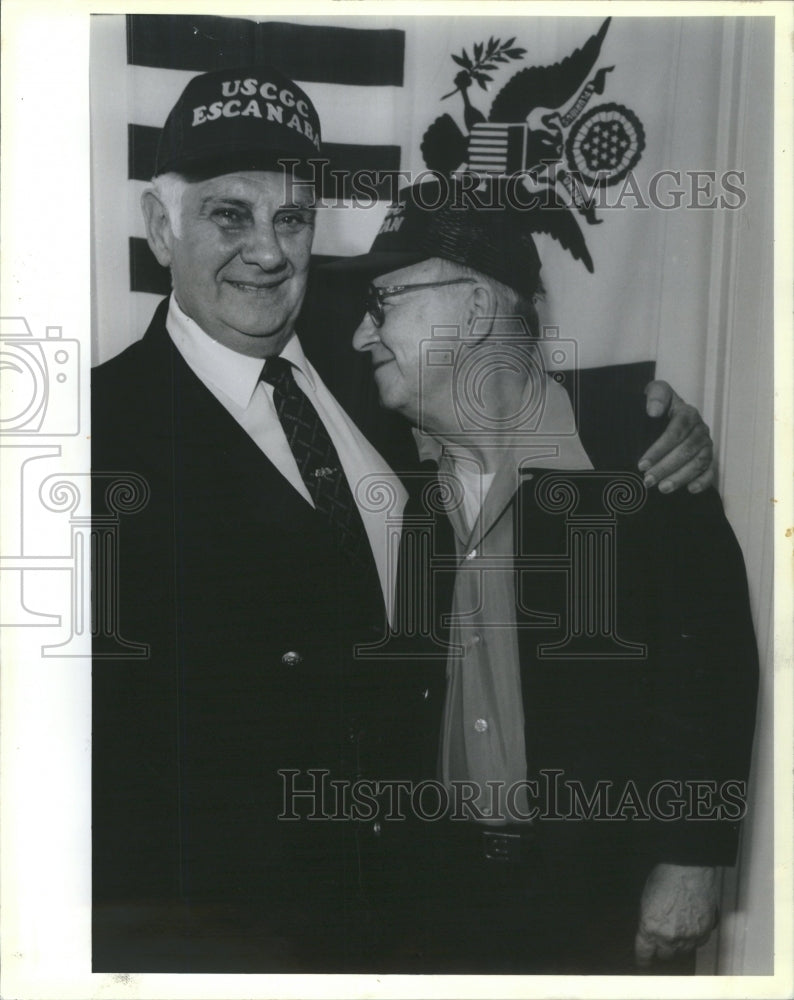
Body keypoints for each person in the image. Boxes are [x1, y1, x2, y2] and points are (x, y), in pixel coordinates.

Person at [91, 66, 721, 973]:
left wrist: (659, 424)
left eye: (294, 219)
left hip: (432, 908)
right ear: (161, 227)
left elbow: (509, 391)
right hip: (232, 929)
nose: (267, 252)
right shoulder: (96, 430)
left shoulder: (373, 373)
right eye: (229, 214)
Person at [332, 176, 759, 975]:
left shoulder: (634, 450)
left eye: (382, 301)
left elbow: (713, 668)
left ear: (477, 306)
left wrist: (694, 858)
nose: (362, 335)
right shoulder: (382, 469)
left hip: (604, 900)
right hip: (430, 901)